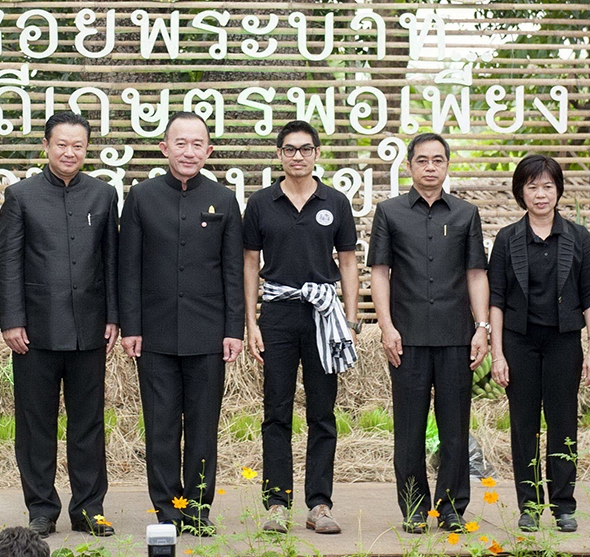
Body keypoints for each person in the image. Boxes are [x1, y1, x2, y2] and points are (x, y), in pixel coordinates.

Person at [118, 111, 244, 536]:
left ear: (208, 151)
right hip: (153, 335)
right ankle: (168, 512)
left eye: (197, 145)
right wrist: (130, 326)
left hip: (208, 335)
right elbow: (128, 267)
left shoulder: (224, 200)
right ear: (165, 148)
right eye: (181, 143)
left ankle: (198, 509)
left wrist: (234, 329)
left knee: (204, 428)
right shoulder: (140, 197)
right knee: (161, 427)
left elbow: (232, 271)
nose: (189, 152)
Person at [0, 112, 118, 538]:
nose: (70, 152)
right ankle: (42, 508)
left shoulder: (103, 195)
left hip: (89, 329)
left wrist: (114, 316)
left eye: (78, 145)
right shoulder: (21, 195)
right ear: (46, 146)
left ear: (87, 149)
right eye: (61, 144)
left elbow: (111, 262)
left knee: (88, 423)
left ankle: (89, 508)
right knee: (36, 424)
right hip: (34, 332)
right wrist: (10, 320)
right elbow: (7, 263)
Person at [368, 133, 489, 533]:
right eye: (422, 160)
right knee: (409, 428)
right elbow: (380, 273)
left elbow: (476, 274)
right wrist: (386, 326)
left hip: (456, 336)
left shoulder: (466, 214)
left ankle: (452, 507)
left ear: (447, 165)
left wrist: (482, 327)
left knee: (455, 426)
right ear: (409, 166)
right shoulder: (389, 212)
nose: (431, 167)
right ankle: (415, 507)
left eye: (438, 160)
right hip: (408, 338)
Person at [243, 120, 359, 535]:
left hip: (323, 316)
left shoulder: (336, 202)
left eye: (305, 149)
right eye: (289, 149)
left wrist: (348, 316)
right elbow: (250, 262)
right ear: (279, 155)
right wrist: (250, 320)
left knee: (322, 412)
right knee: (276, 410)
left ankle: (320, 504)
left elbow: (347, 261)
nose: (297, 156)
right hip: (277, 314)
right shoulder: (260, 203)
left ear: (316, 154)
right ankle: (277, 502)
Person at [488, 155, 590, 533]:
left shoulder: (579, 237)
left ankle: (564, 505)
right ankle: (529, 506)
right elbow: (496, 299)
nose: (540, 194)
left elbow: (588, 295)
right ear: (521, 192)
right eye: (532, 186)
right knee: (524, 425)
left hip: (564, 342)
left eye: (548, 185)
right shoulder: (507, 238)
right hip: (519, 343)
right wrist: (497, 353)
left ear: (559, 190)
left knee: (564, 423)